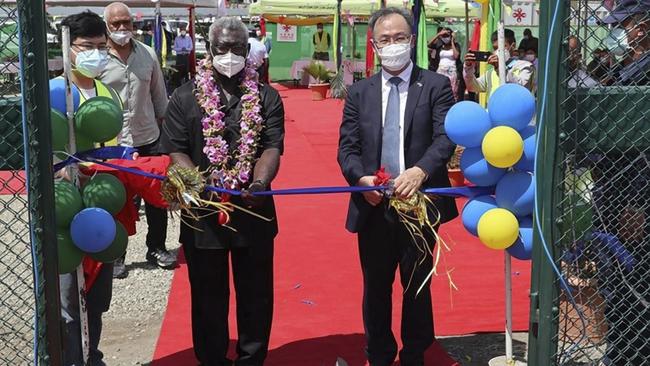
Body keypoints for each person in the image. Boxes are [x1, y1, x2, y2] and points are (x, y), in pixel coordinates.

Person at [160, 16, 285, 366]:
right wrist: (198, 184)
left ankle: (250, 358)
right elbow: (175, 150)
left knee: (256, 296)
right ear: (209, 49)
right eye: (221, 48)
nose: (228, 55)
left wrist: (258, 183)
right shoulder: (184, 97)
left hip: (253, 211)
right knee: (208, 297)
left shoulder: (266, 97)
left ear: (248, 51)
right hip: (203, 215)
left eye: (236, 48)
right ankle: (212, 359)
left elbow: (272, 147)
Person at [337, 7, 458, 366]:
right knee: (376, 288)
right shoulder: (359, 93)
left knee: (417, 286)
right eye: (385, 39)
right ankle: (378, 354)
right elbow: (347, 148)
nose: (393, 45)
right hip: (374, 207)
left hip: (419, 204)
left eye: (400, 38)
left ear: (412, 40)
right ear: (374, 45)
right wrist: (361, 180)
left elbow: (445, 138)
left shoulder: (435, 85)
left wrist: (420, 172)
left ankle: (415, 354)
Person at [55, 11, 122, 366]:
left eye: (101, 46)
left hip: (100, 203)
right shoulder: (54, 92)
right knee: (68, 298)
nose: (95, 54)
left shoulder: (106, 91)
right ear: (69, 48)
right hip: (66, 210)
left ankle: (91, 354)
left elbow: (113, 144)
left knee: (97, 297)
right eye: (86, 47)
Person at [100, 2, 176, 277]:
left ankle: (156, 247)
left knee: (156, 197)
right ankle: (117, 253)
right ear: (106, 25)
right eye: (116, 23)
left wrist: (165, 131)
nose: (122, 28)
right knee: (119, 199)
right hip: (113, 141)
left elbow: (159, 95)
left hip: (148, 137)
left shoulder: (147, 54)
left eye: (127, 23)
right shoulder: (97, 59)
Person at [595, 1, 649, 364]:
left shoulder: (643, 72)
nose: (623, 33)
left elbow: (641, 151)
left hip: (631, 195)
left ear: (642, 27)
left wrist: (637, 203)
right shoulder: (632, 66)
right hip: (614, 189)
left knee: (631, 285)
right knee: (615, 284)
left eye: (626, 25)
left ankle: (630, 353)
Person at [463, 28, 535, 100]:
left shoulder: (525, 66)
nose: (498, 51)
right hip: (493, 110)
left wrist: (500, 68)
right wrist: (468, 67)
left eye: (502, 47)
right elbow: (472, 86)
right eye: (495, 48)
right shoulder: (491, 72)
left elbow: (521, 88)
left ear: (512, 46)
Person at [428, 27, 464, 101]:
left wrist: (452, 42)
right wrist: (439, 34)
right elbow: (429, 44)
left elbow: (456, 56)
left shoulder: (456, 45)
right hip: (441, 71)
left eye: (447, 36)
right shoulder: (440, 45)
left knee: (453, 91)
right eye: (444, 36)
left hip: (452, 72)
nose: (445, 38)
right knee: (439, 89)